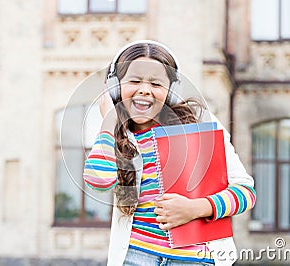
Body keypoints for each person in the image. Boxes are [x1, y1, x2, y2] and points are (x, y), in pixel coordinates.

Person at [83, 40, 256, 266]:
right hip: (136, 258)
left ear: (172, 91)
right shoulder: (117, 134)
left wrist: (196, 208)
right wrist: (109, 120)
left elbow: (246, 192)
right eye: (134, 81)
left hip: (196, 260)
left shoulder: (201, 124)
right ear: (115, 87)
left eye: (156, 83)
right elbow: (98, 181)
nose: (145, 89)